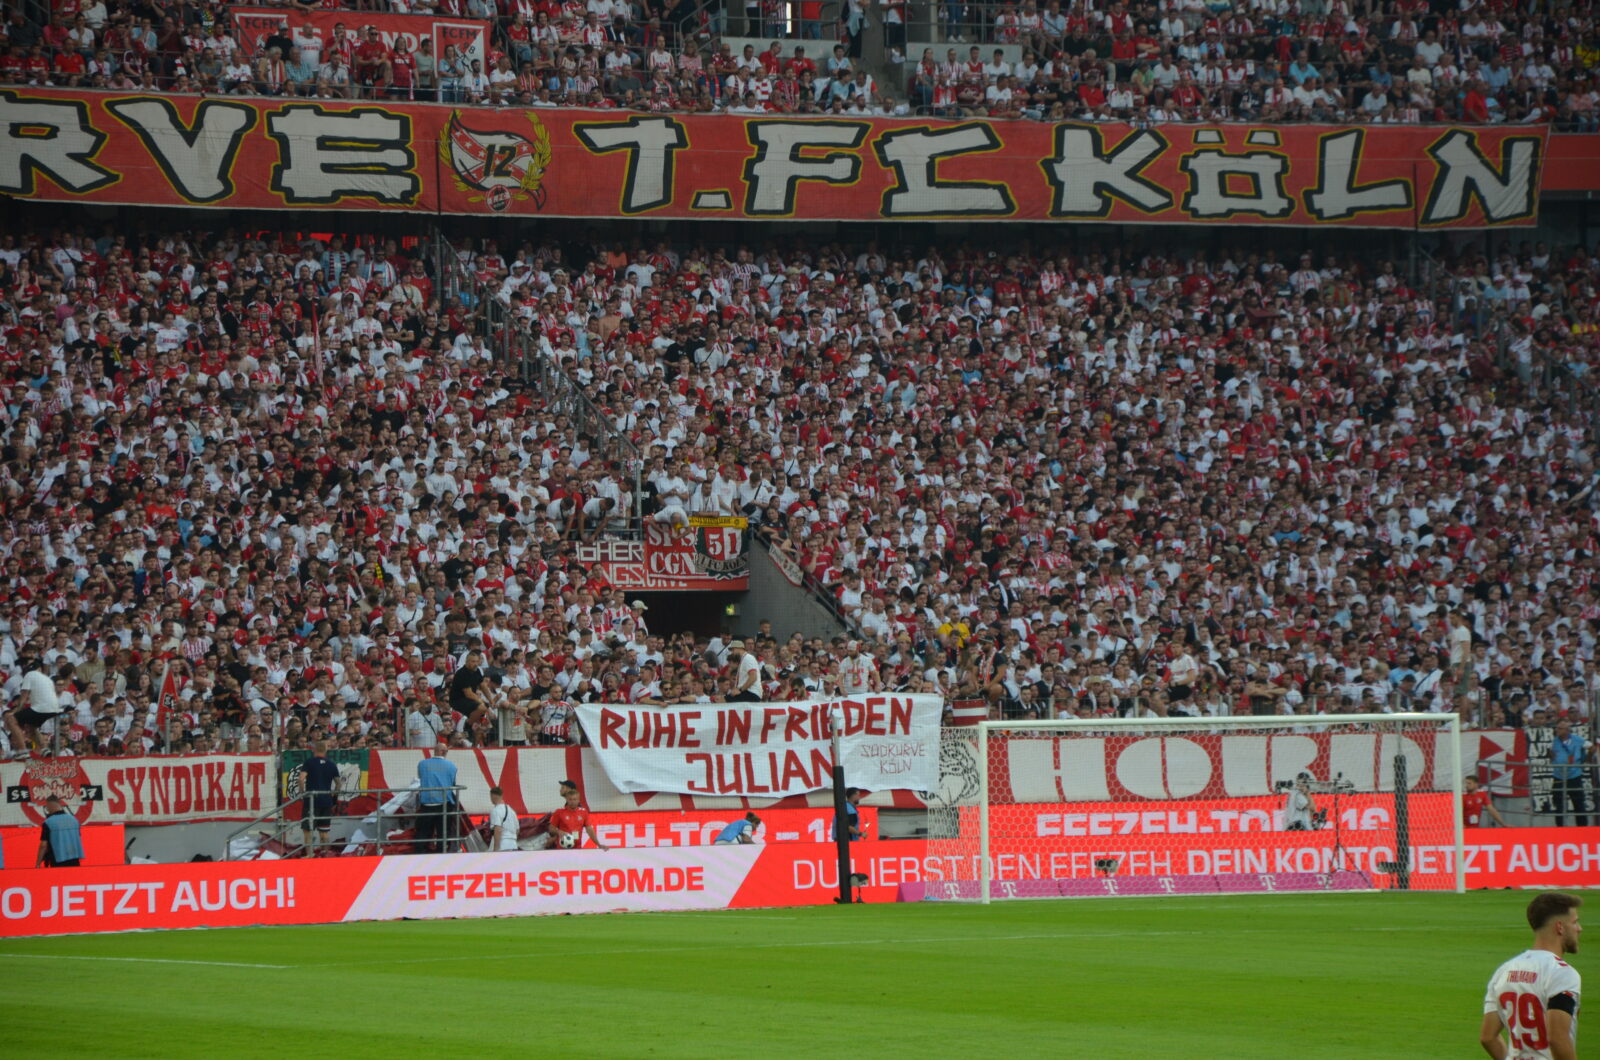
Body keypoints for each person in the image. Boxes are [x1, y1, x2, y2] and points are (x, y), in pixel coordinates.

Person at [1480, 891, 1582, 1060]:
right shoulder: (1562, 973)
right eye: (1575, 922)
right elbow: (1557, 1039)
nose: (1579, 928)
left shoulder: (1504, 970)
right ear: (1560, 927)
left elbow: (1488, 1037)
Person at [414, 746, 459, 853]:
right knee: (443, 832)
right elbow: (453, 783)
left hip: (427, 803)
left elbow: (420, 777)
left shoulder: (422, 764)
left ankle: (419, 853)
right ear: (444, 752)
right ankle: (441, 854)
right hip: (444, 803)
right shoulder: (452, 766)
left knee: (422, 831)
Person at [300, 739, 340, 850]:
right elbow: (338, 784)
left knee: (308, 831)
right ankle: (325, 854)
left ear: (314, 750)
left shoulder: (309, 762)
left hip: (312, 801)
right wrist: (333, 797)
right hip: (326, 801)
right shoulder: (331, 764)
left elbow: (301, 779)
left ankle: (309, 855)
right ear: (326, 750)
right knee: (324, 831)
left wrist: (302, 793)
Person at [1550, 720, 1590, 827]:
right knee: (1559, 805)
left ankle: (1582, 828)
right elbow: (1551, 753)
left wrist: (1584, 759)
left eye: (1560, 728)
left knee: (1578, 804)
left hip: (1574, 776)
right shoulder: (1555, 741)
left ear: (1567, 731)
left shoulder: (1577, 740)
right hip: (1558, 776)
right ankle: (1560, 828)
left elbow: (1591, 747)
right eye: (1557, 728)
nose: (1557, 730)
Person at [548, 779, 607, 850]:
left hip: (577, 848)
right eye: (570, 799)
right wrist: (559, 832)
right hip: (562, 849)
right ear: (567, 799)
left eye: (574, 799)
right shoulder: (559, 812)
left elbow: (589, 829)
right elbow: (551, 828)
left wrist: (599, 844)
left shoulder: (583, 812)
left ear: (578, 800)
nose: (572, 802)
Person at [37, 795, 83, 867]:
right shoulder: (74, 820)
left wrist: (38, 864)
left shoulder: (48, 822)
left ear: (50, 805)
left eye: (47, 807)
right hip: (74, 859)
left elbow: (43, 845)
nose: (47, 810)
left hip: (57, 860)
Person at [488, 785, 519, 852]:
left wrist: (496, 850)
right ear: (501, 796)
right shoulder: (512, 811)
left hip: (502, 846)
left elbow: (497, 829)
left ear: (492, 796)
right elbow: (517, 829)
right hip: (513, 845)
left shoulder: (496, 810)